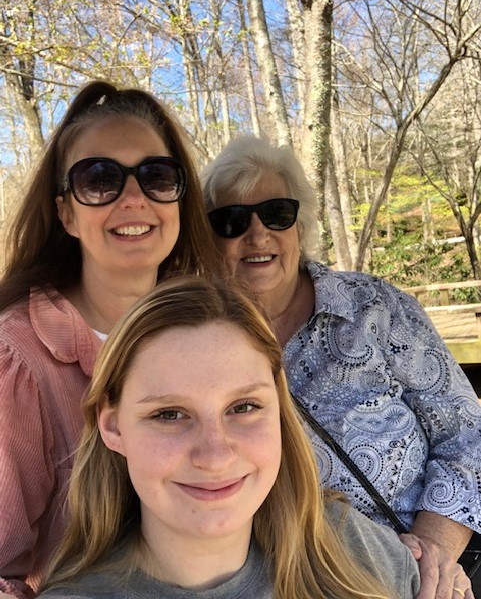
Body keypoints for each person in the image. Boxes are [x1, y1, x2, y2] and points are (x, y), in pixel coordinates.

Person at [201, 135, 481, 599]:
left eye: (276, 214)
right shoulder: (199, 343)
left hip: (440, 568)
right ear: (209, 239)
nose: (257, 235)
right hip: (307, 581)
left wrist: (435, 552)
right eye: (231, 221)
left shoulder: (376, 308)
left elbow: (468, 434)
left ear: (300, 224)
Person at [38, 275, 423, 599]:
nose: (215, 455)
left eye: (243, 407)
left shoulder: (352, 549)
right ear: (113, 426)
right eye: (169, 414)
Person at [0, 80, 223, 599]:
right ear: (66, 213)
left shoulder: (214, 328)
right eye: (99, 179)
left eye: (156, 176)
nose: (132, 199)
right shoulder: (17, 360)